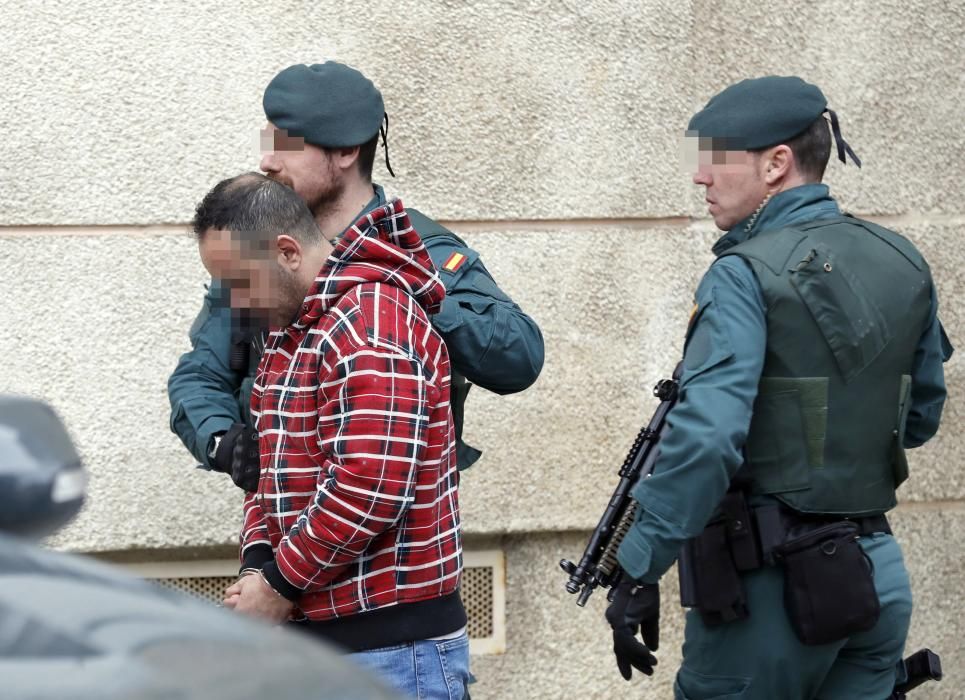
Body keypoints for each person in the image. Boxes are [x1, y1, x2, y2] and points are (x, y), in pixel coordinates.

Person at [605, 76, 953, 700]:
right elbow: (920, 418)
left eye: (715, 158)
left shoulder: (742, 275)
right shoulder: (902, 259)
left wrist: (637, 564)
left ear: (776, 164)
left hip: (770, 596)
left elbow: (709, 438)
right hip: (875, 576)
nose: (700, 178)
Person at [168, 62, 543, 489]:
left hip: (395, 525)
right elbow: (200, 373)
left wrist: (415, 289)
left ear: (345, 151)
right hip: (282, 518)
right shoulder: (261, 249)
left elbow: (520, 358)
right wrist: (223, 440)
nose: (267, 159)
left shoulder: (422, 250)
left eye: (284, 142)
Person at [192, 171, 470, 698]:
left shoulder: (370, 323)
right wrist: (258, 566)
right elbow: (268, 466)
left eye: (239, 282)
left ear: (288, 252)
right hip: (326, 646)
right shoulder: (290, 330)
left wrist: (277, 585)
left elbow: (369, 489)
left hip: (392, 655)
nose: (234, 305)